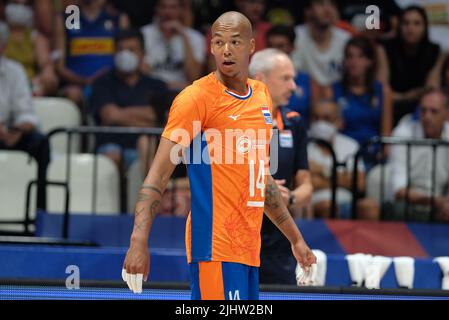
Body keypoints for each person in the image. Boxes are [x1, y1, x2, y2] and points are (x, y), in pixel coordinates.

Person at [122, 11, 316, 299]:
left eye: (235, 42)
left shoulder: (262, 96)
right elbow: (158, 175)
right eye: (219, 42)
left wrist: (296, 239)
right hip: (213, 245)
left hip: (250, 250)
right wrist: (138, 241)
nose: (226, 50)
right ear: (211, 47)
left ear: (251, 46)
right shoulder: (195, 98)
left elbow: (260, 180)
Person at [249, 48, 314, 285]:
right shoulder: (234, 119)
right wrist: (262, 188)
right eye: (285, 78)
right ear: (260, 78)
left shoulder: (294, 122)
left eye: (293, 78)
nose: (293, 86)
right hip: (240, 236)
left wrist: (291, 198)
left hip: (279, 241)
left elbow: (306, 183)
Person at [89, 29, 168, 171]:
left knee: (147, 155)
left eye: (131, 50)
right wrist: (146, 118)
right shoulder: (101, 83)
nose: (125, 54)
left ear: (142, 54)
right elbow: (110, 115)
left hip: (143, 148)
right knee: (112, 155)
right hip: (110, 144)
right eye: (120, 50)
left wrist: (120, 114)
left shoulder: (157, 86)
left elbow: (159, 118)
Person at [0, 22, 50, 210]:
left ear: (3, 47)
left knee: (40, 143)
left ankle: (39, 212)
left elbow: (25, 113)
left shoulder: (15, 71)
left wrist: (18, 131)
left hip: (7, 133)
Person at [308, 99, 379, 220]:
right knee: (328, 206)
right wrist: (344, 178)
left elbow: (360, 184)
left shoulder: (350, 145)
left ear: (339, 122)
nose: (320, 123)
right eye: (316, 118)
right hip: (316, 204)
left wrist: (323, 171)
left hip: (348, 202)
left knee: (370, 207)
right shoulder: (304, 145)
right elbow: (307, 184)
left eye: (327, 119)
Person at [54, 0, 129, 108]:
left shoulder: (118, 18)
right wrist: (85, 81)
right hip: (77, 85)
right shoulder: (67, 17)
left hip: (111, 83)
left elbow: (124, 58)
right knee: (73, 94)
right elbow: (59, 66)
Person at [389, 88, 449, 222]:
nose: (427, 117)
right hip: (409, 203)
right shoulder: (403, 134)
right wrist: (434, 201)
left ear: (446, 115)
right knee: (399, 209)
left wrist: (445, 204)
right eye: (423, 110)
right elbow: (399, 190)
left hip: (442, 204)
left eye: (434, 111)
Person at [379, 6, 446, 125]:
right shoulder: (385, 48)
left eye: (416, 23)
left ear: (425, 27)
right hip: (391, 106)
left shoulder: (434, 51)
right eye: (406, 23)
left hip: (422, 107)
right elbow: (381, 90)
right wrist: (406, 96)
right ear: (399, 26)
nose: (410, 29)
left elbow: (431, 89)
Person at [326, 36, 392, 149]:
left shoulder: (383, 91)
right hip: (344, 151)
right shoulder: (332, 90)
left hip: (374, 153)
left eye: (360, 56)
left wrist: (384, 151)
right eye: (349, 56)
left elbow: (386, 133)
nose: (354, 62)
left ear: (369, 61)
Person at [140, 0, 205, 91]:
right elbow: (141, 74)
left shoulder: (195, 38)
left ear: (181, 10)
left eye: (173, 7)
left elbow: (193, 76)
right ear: (156, 9)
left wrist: (184, 36)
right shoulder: (144, 34)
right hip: (151, 91)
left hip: (183, 92)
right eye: (163, 7)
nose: (167, 12)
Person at [265, 24, 318, 126]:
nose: (274, 51)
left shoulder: (308, 81)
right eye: (271, 46)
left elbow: (315, 117)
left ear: (292, 47)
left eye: (280, 46)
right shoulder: (256, 81)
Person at [4, 0, 58, 96]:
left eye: (25, 5)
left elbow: (46, 65)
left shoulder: (36, 37)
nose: (20, 9)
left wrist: (46, 76)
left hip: (30, 84)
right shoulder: (2, 36)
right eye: (15, 4)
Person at [292, 0, 351, 86]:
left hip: (339, 96)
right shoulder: (295, 37)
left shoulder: (346, 39)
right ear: (308, 11)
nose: (327, 10)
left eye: (332, 4)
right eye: (320, 4)